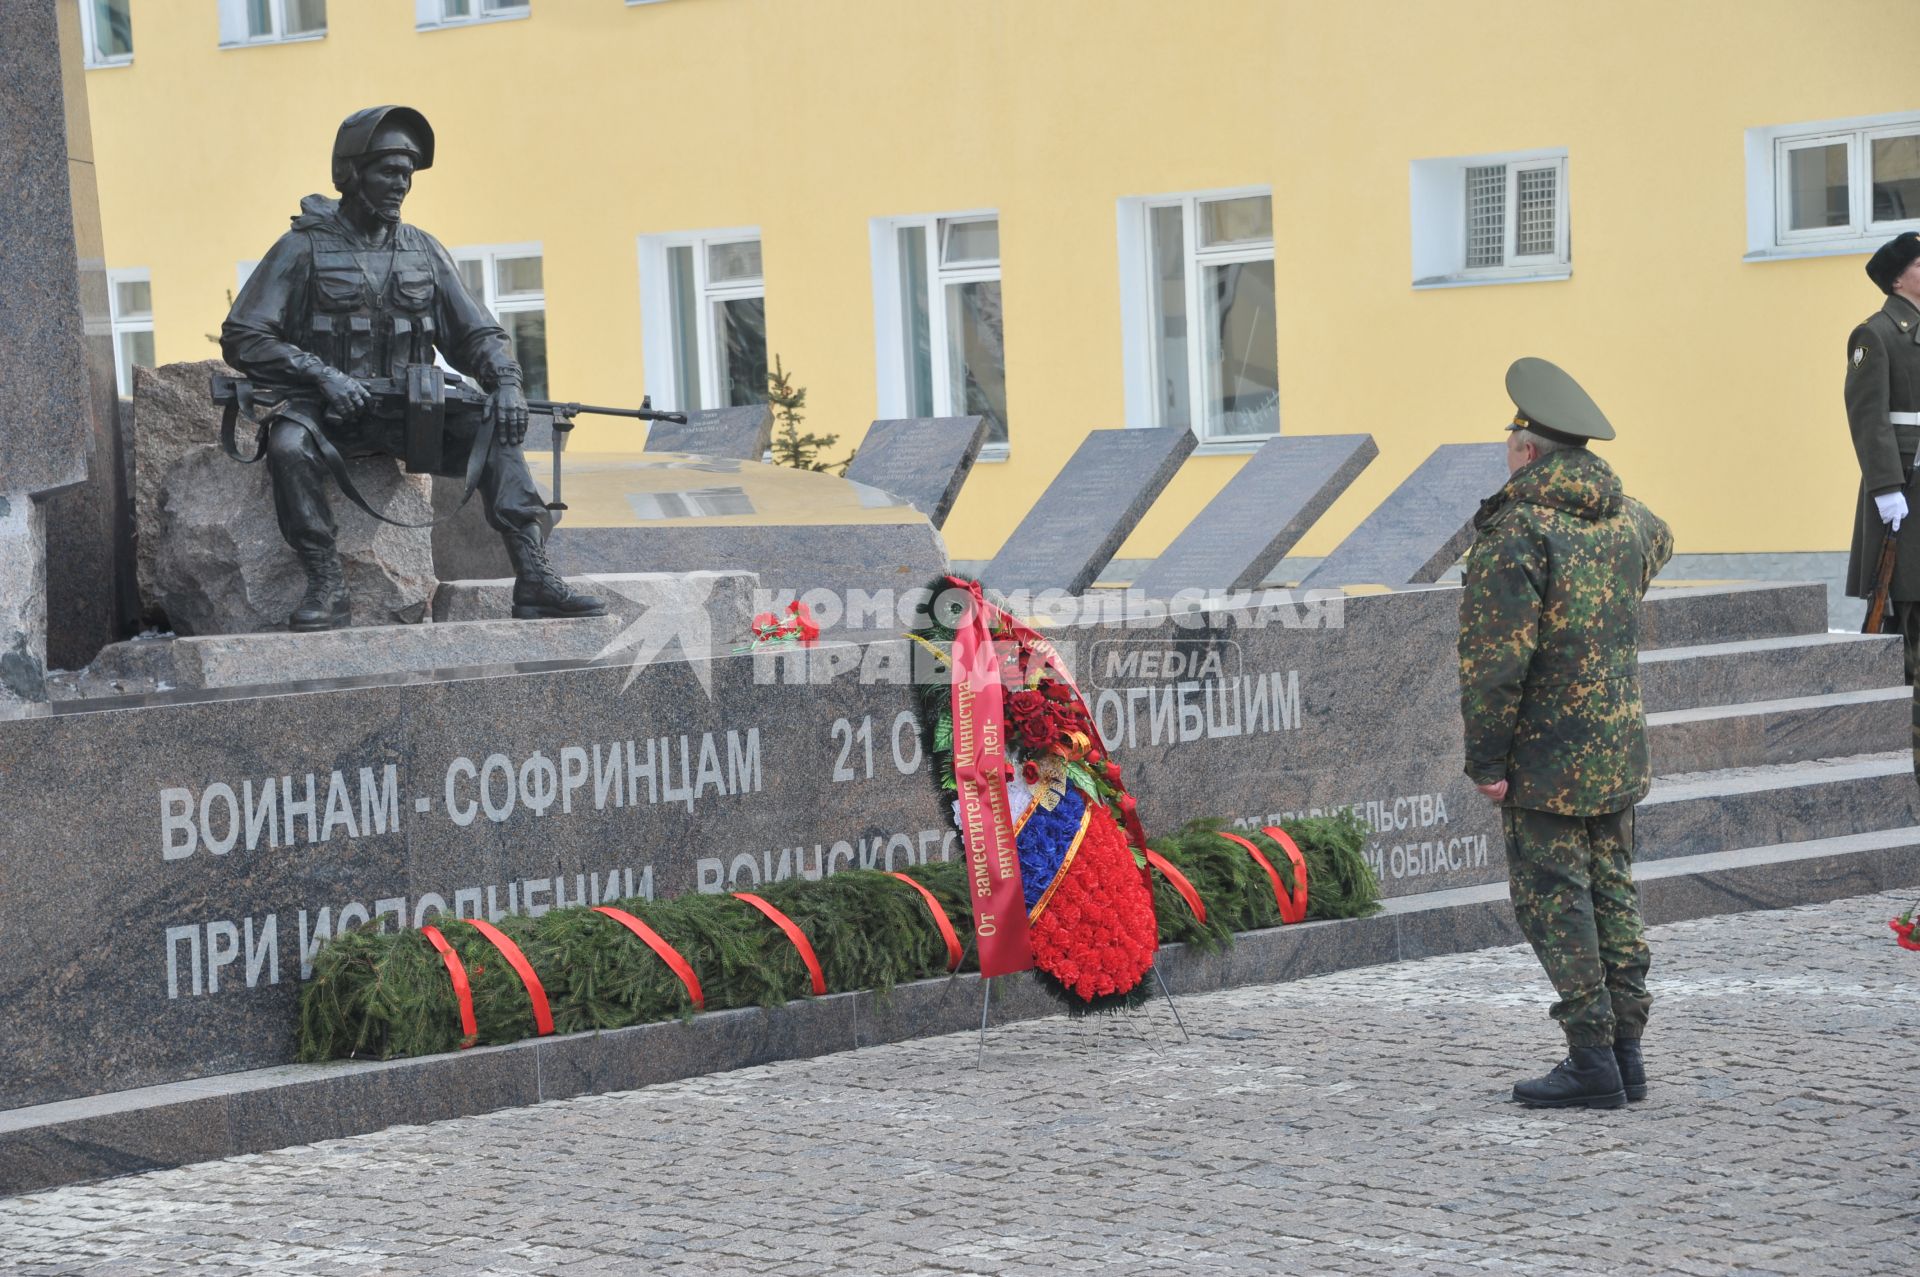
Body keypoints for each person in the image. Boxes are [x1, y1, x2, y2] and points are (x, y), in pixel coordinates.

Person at [221, 105, 604, 630]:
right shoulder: (301, 248)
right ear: (350, 175)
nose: (400, 184)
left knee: (496, 430)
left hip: (413, 412)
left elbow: (476, 334)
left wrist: (508, 383)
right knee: (289, 446)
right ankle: (326, 584)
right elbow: (244, 335)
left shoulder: (423, 250)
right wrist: (323, 376)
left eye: (407, 174)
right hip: (328, 410)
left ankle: (534, 577)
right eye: (388, 172)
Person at [1457, 357, 1674, 1109]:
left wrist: (1486, 758)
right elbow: (1662, 536)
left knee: (1557, 899)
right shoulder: (1624, 518)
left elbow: (1495, 664)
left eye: (1511, 438)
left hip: (1545, 756)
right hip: (1614, 747)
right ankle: (1627, 1053)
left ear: (1526, 449)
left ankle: (1591, 1059)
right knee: (1613, 891)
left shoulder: (1518, 531)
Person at [1845, 230, 1920, 682]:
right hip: (1905, 492)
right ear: (1897, 280)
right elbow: (1868, 418)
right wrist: (1887, 488)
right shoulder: (1875, 334)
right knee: (1903, 609)